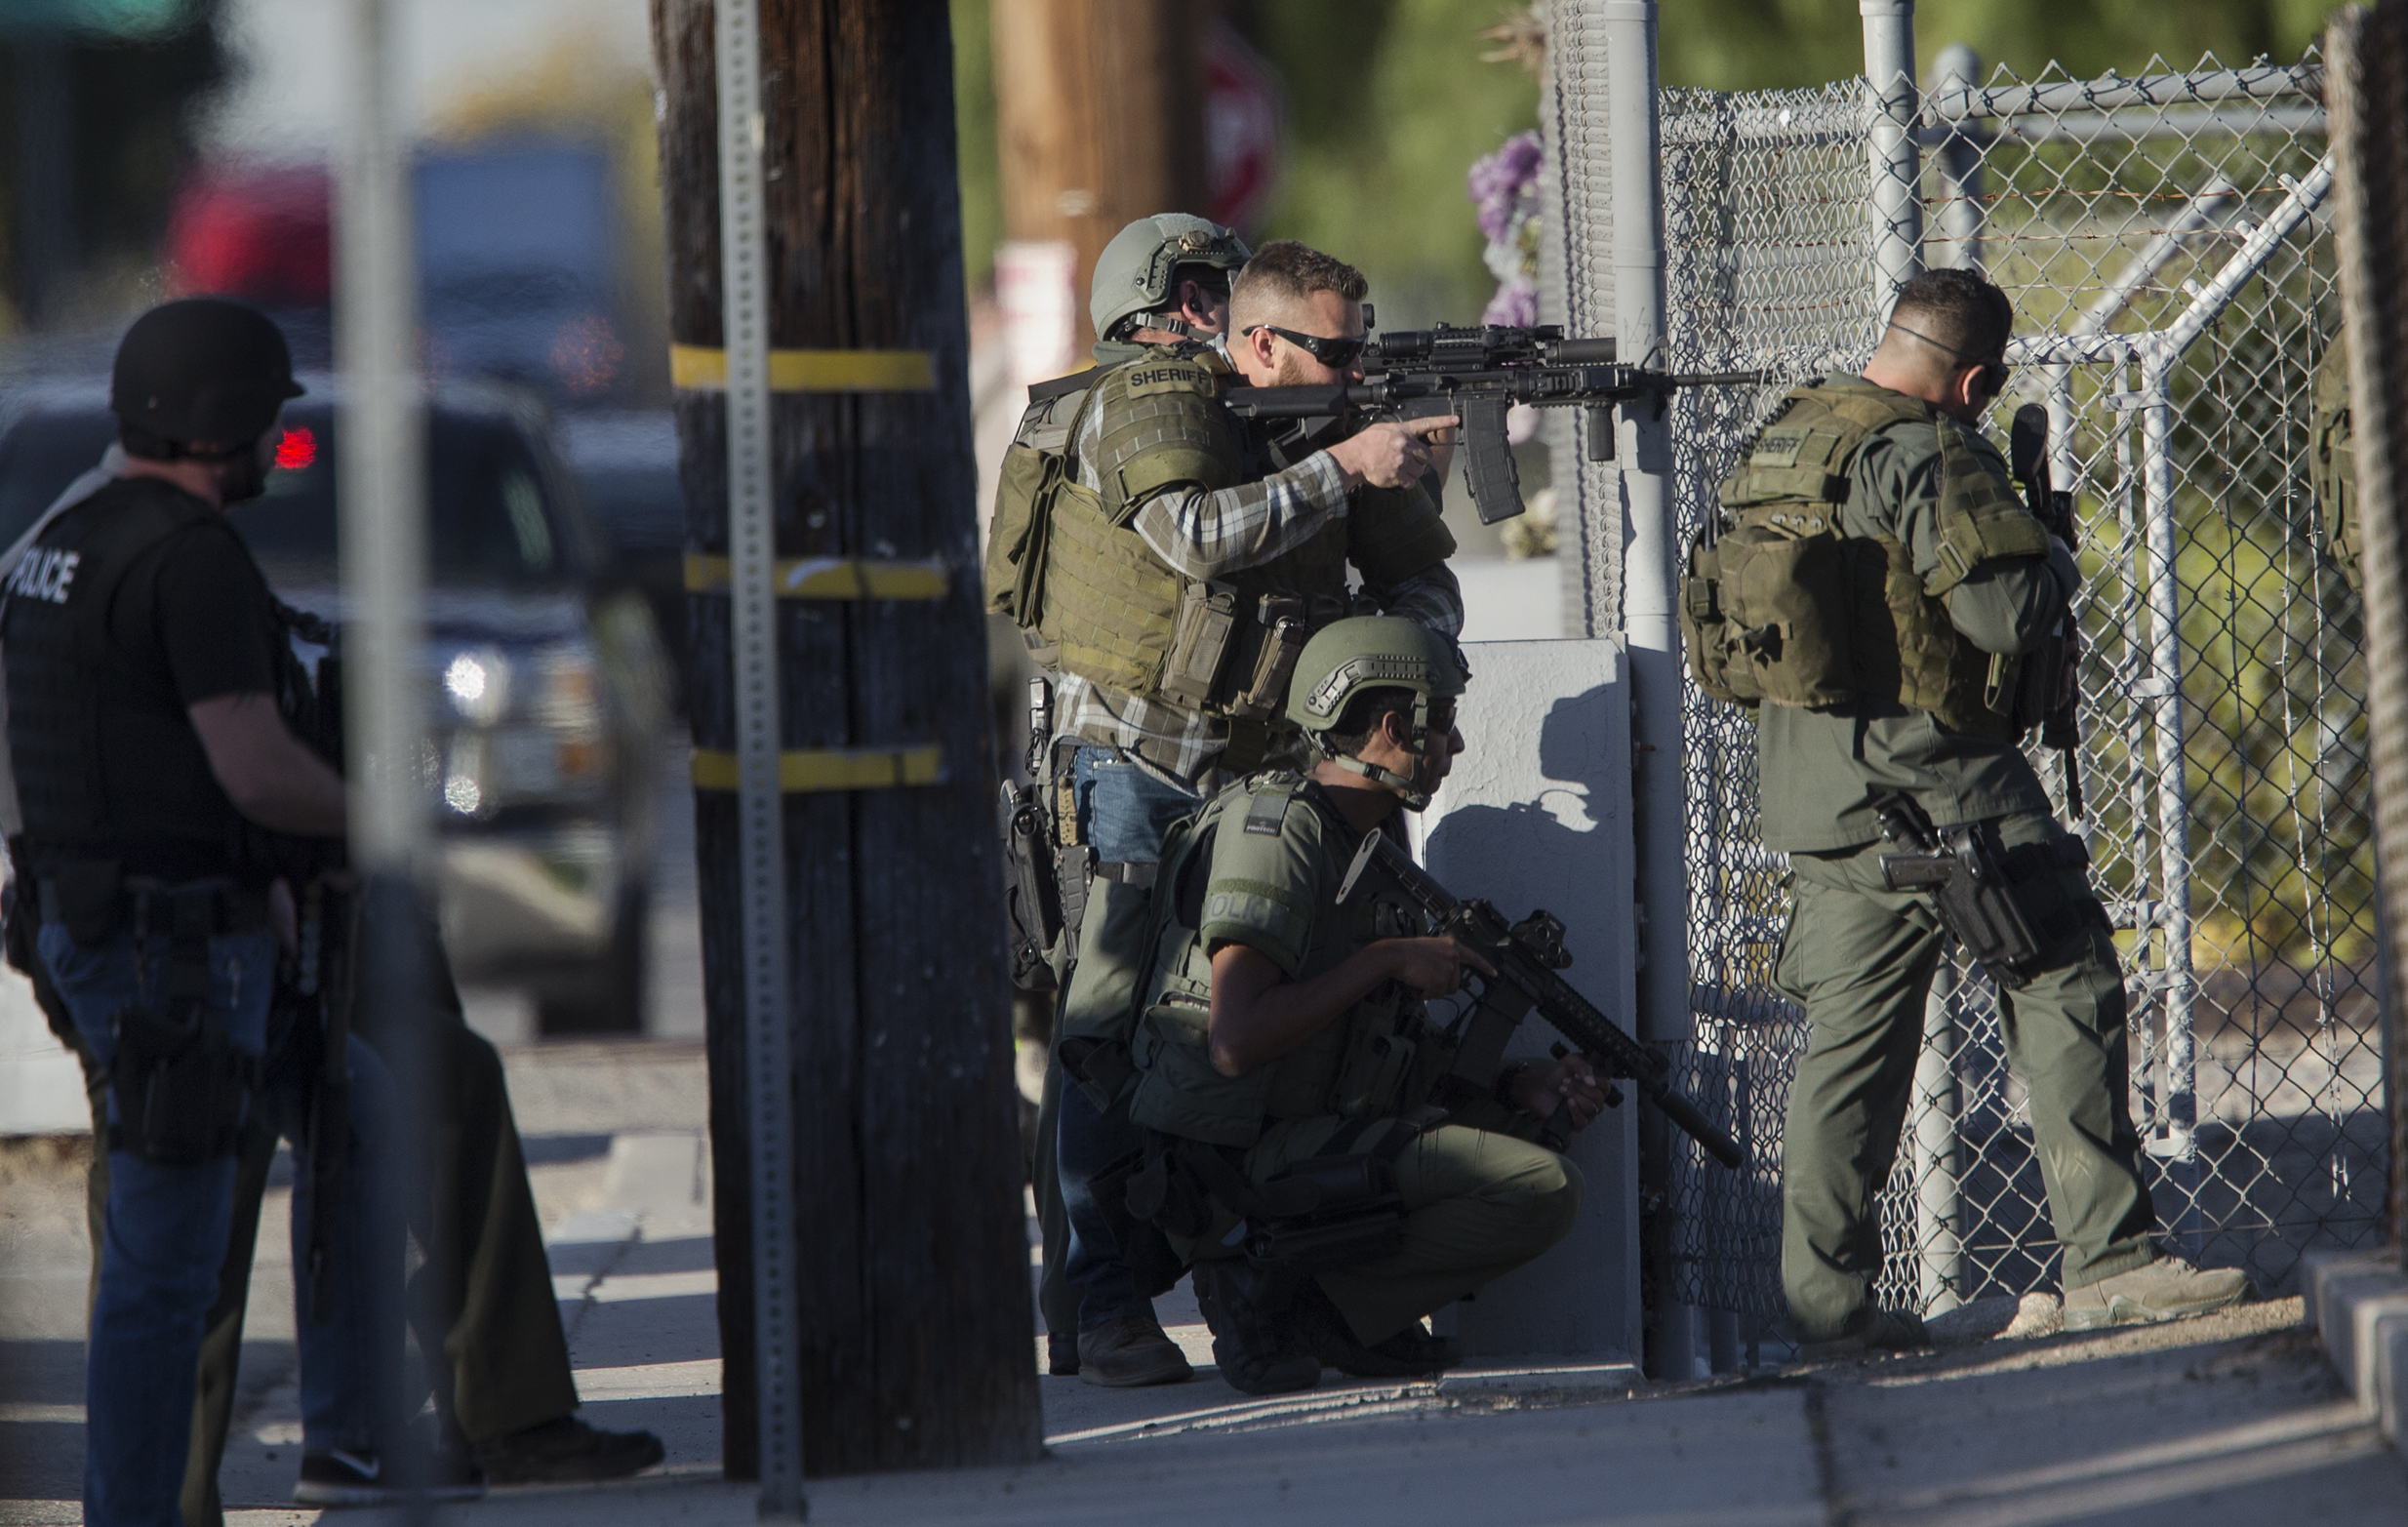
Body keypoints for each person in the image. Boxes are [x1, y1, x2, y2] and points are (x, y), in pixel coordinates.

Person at [9, 298, 661, 1520]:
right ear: (223, 425)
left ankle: (350, 1437)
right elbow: (246, 760)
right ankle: (155, 1500)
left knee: (367, 1101)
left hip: (151, 923)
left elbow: (128, 754)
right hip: (167, 949)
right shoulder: (181, 556)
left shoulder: (61, 538)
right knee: (168, 1251)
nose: (274, 447)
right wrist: (374, 824)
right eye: (264, 425)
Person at [1691, 267, 2250, 1352]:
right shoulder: (1930, 449)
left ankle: (1825, 1308)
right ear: (1974, 377)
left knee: (1847, 1055)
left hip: (1820, 803)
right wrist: (2044, 541)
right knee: (2065, 980)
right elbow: (2004, 615)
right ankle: (2111, 1262)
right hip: (1948, 788)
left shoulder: (1784, 438)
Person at [989, 223, 1466, 1386]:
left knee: (1308, 1025)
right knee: (1111, 1038)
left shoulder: (1321, 416)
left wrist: (1386, 660)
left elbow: (1426, 589)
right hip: (1131, 769)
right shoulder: (1134, 406)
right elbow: (1193, 538)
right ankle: (1101, 1306)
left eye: (1214, 289)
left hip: (1269, 778)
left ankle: (1288, 1286)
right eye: (1187, 296)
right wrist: (1340, 469)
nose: (1197, 316)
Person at [1121, 617, 1600, 1395]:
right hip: (1234, 1161)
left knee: (1531, 1147)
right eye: (1441, 723)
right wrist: (1386, 958)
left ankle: (1328, 1309)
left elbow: (1375, 1047)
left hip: (1313, 1131)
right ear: (1391, 725)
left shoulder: (1372, 847)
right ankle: (1268, 1292)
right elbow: (1234, 1041)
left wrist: (1522, 1087)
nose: (1457, 748)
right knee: (1542, 1187)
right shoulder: (1277, 832)